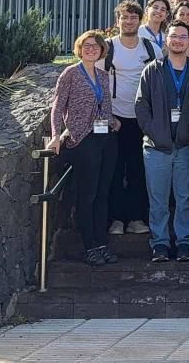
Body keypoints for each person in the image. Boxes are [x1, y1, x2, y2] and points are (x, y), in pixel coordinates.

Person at [135, 21, 189, 262]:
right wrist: (154, 132)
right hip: (157, 147)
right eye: (173, 36)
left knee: (185, 197)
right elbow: (141, 105)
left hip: (186, 146)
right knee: (158, 199)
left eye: (182, 37)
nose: (178, 41)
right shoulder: (152, 70)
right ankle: (160, 244)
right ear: (166, 40)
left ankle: (185, 242)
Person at [50, 30, 120, 265]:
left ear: (102, 50)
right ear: (79, 48)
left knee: (103, 193)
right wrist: (56, 135)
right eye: (87, 45)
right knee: (87, 194)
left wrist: (113, 123)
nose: (91, 49)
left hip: (105, 137)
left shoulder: (103, 76)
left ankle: (102, 244)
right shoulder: (70, 73)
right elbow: (58, 107)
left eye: (96, 46)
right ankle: (89, 246)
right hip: (82, 139)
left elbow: (106, 106)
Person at [104, 0, 157, 237]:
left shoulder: (150, 47)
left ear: (140, 20)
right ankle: (116, 219)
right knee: (115, 169)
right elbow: (97, 82)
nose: (129, 21)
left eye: (133, 17)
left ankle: (137, 218)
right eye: (124, 18)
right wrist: (104, 115)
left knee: (138, 169)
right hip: (114, 117)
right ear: (117, 21)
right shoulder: (107, 48)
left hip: (142, 118)